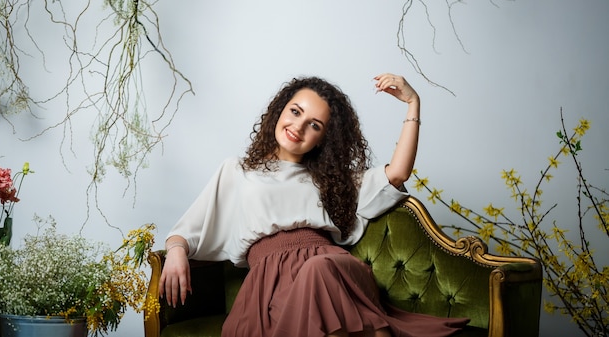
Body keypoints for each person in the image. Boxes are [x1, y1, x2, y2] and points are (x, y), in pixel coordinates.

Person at [160, 73, 469, 337]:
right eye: (295, 112)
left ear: (323, 139)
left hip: (332, 268)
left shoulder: (330, 180)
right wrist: (176, 251)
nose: (299, 126)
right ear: (280, 110)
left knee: (317, 268)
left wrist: (413, 103)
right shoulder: (236, 170)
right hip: (269, 282)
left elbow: (398, 173)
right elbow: (187, 231)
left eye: (315, 125)